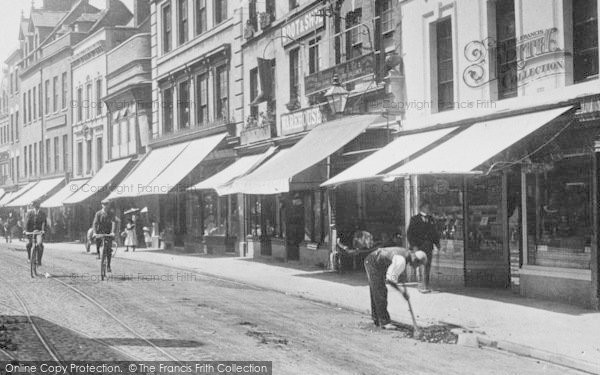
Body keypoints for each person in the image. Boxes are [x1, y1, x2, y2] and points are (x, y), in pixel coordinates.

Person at [364, 247, 427, 329]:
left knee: (376, 290)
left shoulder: (406, 255)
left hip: (374, 261)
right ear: (415, 260)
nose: (416, 268)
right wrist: (402, 292)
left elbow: (393, 269)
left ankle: (377, 319)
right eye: (418, 265)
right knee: (380, 291)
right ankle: (384, 322)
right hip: (373, 262)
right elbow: (390, 280)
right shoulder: (401, 260)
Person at [407, 201, 440, 293]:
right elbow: (410, 234)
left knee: (427, 265)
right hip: (419, 246)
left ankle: (426, 285)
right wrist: (414, 246)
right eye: (426, 207)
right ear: (421, 208)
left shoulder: (431, 219)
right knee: (420, 265)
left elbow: (434, 232)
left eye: (429, 207)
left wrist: (437, 243)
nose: (428, 209)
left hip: (428, 246)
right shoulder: (414, 219)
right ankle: (421, 285)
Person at [92, 200, 117, 272]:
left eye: (107, 204)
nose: (105, 206)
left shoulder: (111, 213)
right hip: (100, 232)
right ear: (102, 205)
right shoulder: (98, 213)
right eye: (104, 204)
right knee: (97, 241)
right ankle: (98, 253)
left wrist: (112, 232)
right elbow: (95, 223)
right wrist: (94, 232)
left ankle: (108, 265)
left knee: (108, 250)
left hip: (108, 233)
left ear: (108, 205)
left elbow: (113, 223)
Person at [24, 200, 48, 266]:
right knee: (28, 244)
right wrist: (25, 231)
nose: (36, 207)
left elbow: (44, 223)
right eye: (34, 206)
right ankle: (29, 257)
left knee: (40, 244)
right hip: (30, 231)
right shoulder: (29, 213)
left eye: (37, 206)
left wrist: (44, 230)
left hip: (39, 232)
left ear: (39, 206)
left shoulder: (43, 213)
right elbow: (26, 222)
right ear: (33, 206)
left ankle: (39, 260)